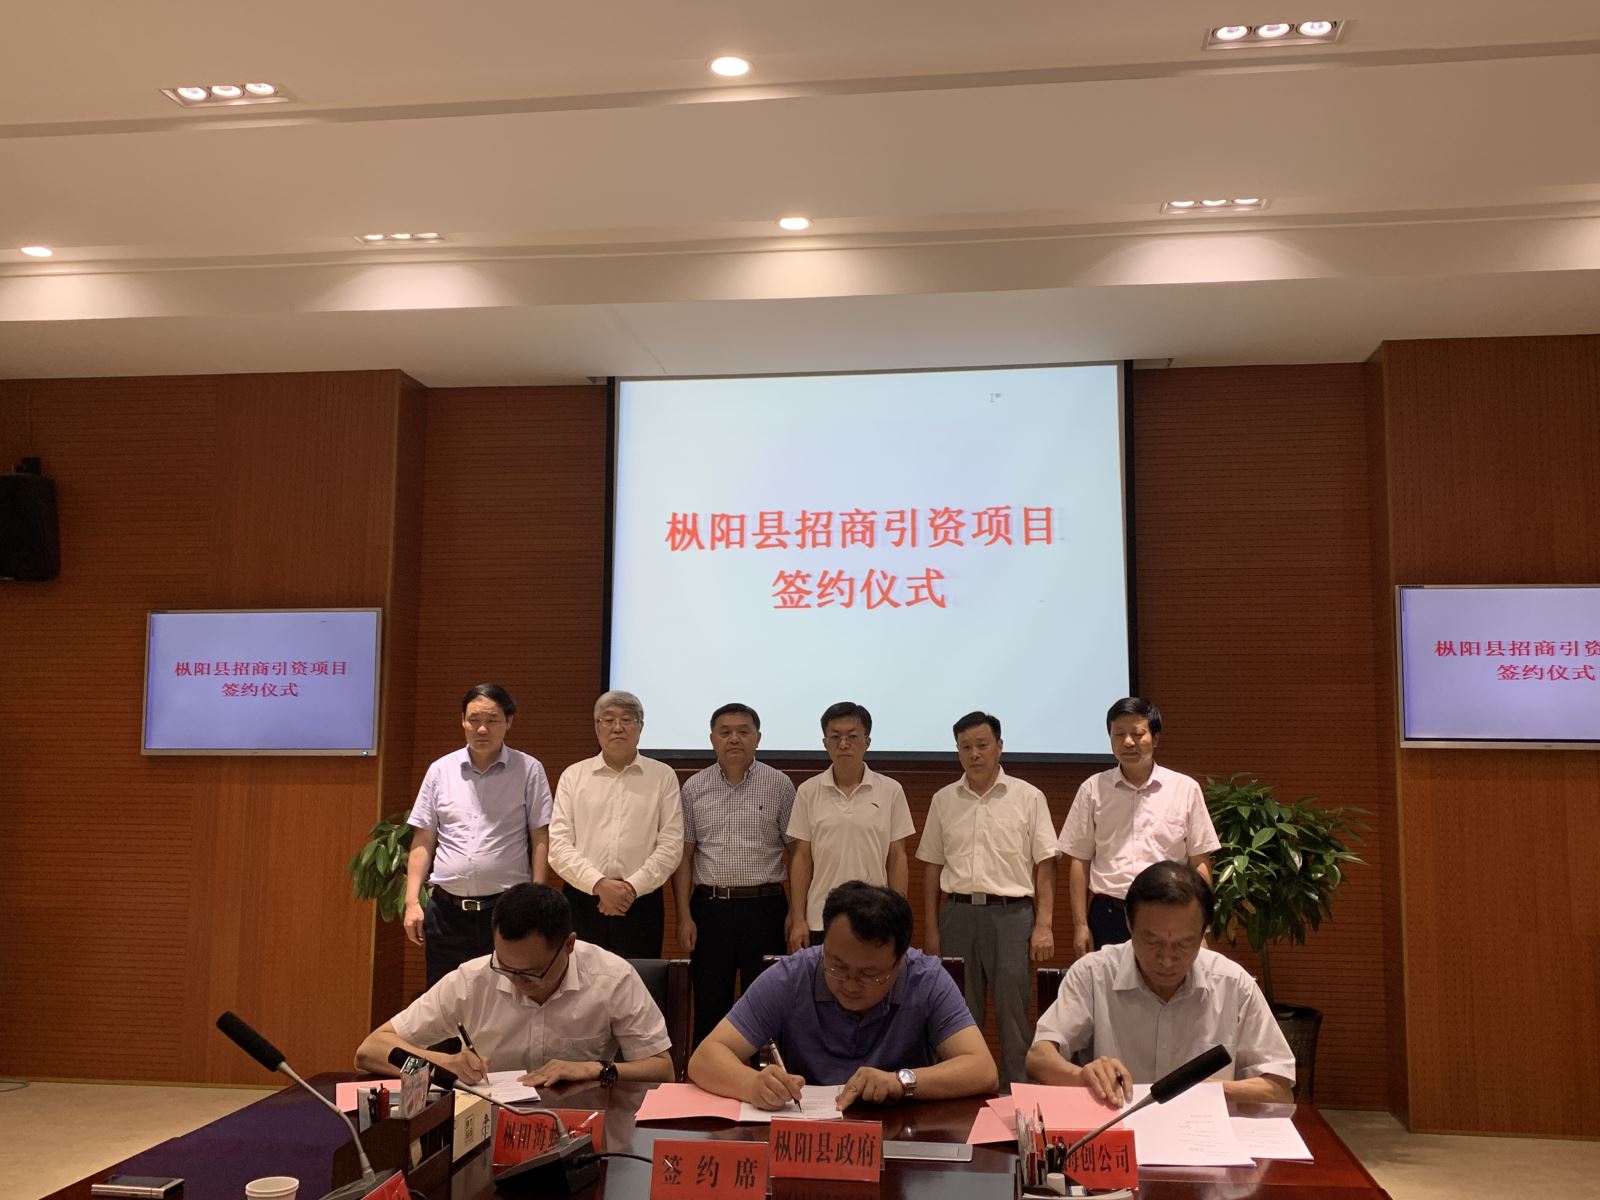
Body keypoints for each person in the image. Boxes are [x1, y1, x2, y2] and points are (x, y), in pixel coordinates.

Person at [688, 881, 997, 1108]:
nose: (849, 984)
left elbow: (982, 1070)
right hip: (808, 1136)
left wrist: (899, 1081)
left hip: (903, 1137)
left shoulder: (926, 978)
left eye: (869, 974)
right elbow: (705, 1058)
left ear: (900, 961)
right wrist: (752, 1084)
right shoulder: (793, 976)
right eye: (837, 966)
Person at [1026, 861, 1294, 1103]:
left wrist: (1208, 1091)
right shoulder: (1094, 974)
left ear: (1204, 932)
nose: (1166, 959)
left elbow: (1280, 1089)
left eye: (1183, 944)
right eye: (1152, 941)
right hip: (1119, 1127)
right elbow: (1038, 1057)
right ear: (1129, 923)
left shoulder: (1233, 984)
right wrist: (1083, 1076)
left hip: (1203, 1134)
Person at [356, 883, 674, 1087]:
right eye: (505, 966)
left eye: (531, 973)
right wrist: (443, 1063)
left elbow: (662, 1069)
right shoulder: (472, 979)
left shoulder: (613, 978)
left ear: (568, 945)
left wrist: (596, 1068)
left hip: (583, 1124)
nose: (516, 981)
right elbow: (370, 1051)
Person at [917, 711, 1057, 1087]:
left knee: (1014, 1018)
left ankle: (1016, 1098)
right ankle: (963, 1096)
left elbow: (1046, 864)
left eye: (982, 745)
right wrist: (931, 930)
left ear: (999, 746)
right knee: (958, 1017)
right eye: (965, 747)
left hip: (1012, 917)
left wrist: (1044, 925)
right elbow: (931, 869)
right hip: (957, 915)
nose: (974, 754)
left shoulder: (1028, 797)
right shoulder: (944, 800)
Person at [404, 683, 554, 987]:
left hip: (506, 912)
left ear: (509, 721)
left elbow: (540, 837)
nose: (482, 729)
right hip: (446, 912)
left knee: (506, 999)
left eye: (492, 720)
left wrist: (536, 900)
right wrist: (411, 902)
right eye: (473, 720)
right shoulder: (440, 770)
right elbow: (423, 839)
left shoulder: (528, 769)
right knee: (445, 1001)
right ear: (462, 721)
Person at [671, 702, 797, 1047]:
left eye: (743, 731)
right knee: (710, 1003)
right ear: (712, 739)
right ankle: (707, 1074)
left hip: (766, 908)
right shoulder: (693, 788)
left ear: (758, 738)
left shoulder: (779, 785)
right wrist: (683, 916)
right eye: (725, 732)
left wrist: (796, 913)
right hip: (710, 909)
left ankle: (766, 1073)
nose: (734, 739)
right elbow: (684, 856)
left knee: (767, 1004)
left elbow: (798, 852)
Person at [1056, 697, 1219, 955]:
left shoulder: (1185, 789)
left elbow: (1200, 861)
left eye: (1137, 733)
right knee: (1109, 982)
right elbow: (1079, 861)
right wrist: (1080, 925)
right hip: (1109, 914)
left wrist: (1201, 929)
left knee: (1167, 979)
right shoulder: (1092, 789)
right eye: (1119, 734)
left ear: (1155, 738)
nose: (1128, 742)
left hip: (1169, 913)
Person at [548, 690, 683, 958]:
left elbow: (671, 845)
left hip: (641, 902)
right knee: (579, 980)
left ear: (640, 727)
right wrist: (599, 884)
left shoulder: (662, 776)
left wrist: (630, 888)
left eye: (627, 719)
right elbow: (559, 846)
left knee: (639, 979)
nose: (617, 727)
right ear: (597, 727)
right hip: (583, 899)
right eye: (608, 720)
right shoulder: (573, 776)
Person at [786, 702, 914, 950]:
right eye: (835, 737)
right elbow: (802, 858)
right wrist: (799, 918)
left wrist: (898, 916)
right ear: (825, 743)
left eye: (852, 737)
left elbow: (898, 857)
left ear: (867, 741)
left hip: (877, 915)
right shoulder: (808, 791)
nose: (843, 744)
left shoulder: (891, 790)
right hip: (820, 917)